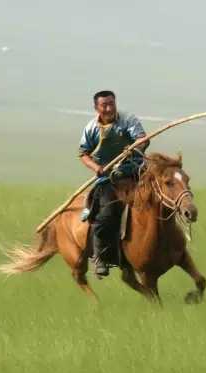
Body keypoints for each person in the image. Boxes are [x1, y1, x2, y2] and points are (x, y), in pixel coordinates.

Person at [78, 90, 149, 277]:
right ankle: (100, 257)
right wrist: (96, 168)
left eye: (112, 103)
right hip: (109, 179)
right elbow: (83, 154)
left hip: (135, 172)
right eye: (104, 105)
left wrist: (135, 147)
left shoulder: (128, 120)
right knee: (106, 216)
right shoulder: (91, 128)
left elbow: (143, 139)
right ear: (96, 108)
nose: (109, 108)